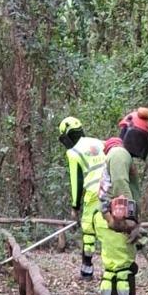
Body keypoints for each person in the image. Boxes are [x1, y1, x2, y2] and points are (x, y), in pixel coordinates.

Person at [93, 152, 145, 295]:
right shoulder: (119, 155)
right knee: (124, 268)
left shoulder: (109, 159)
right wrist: (130, 221)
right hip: (116, 217)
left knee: (111, 269)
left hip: (103, 217)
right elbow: (121, 185)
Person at [58, 115, 104, 280]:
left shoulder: (73, 152)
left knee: (89, 231)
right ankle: (117, 269)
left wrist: (75, 206)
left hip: (93, 193)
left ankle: (87, 269)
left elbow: (76, 180)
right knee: (109, 228)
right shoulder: (100, 143)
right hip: (112, 189)